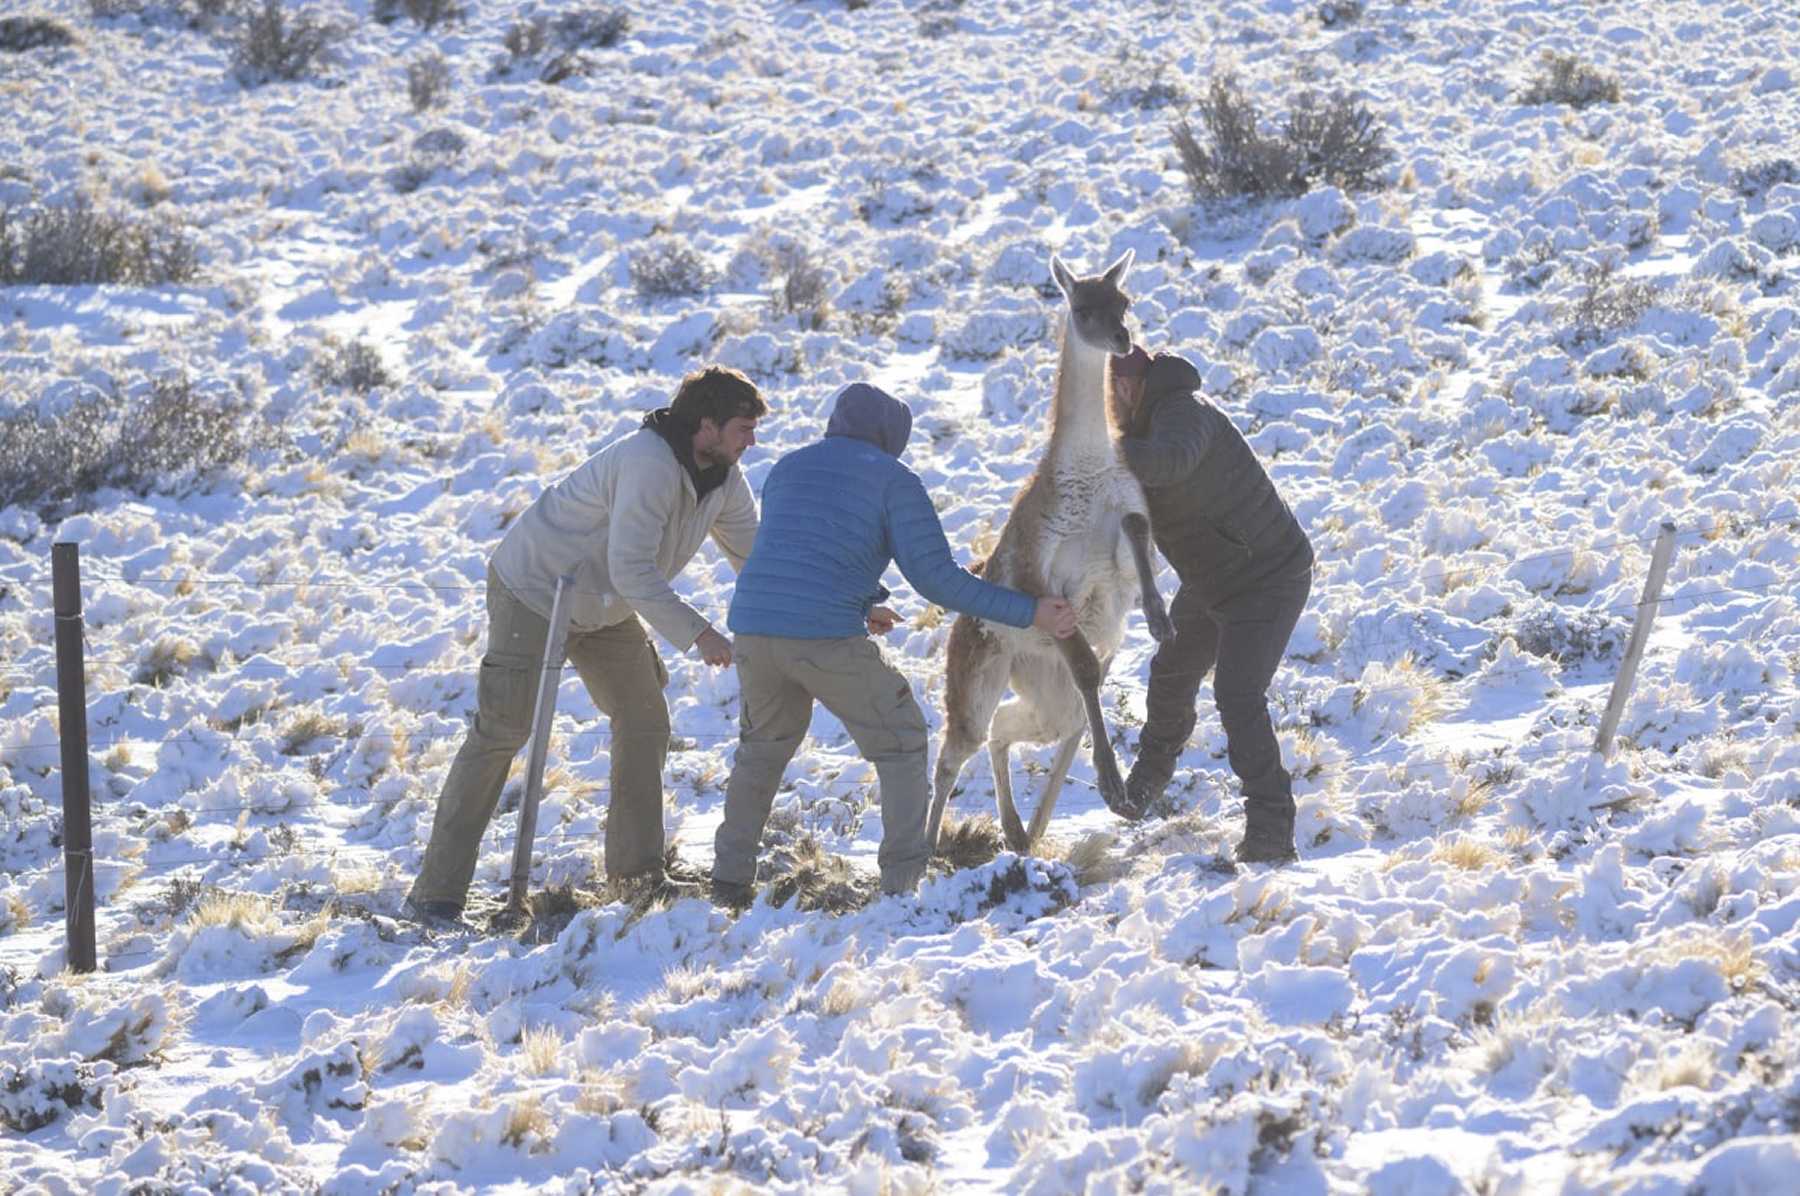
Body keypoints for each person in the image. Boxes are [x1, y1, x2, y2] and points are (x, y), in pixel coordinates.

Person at [403, 365, 765, 927]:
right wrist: (700, 633)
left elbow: (758, 560)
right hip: (535, 588)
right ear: (707, 425)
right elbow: (631, 567)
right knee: (504, 729)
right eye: (744, 428)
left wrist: (844, 605)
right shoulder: (648, 463)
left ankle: (636, 877)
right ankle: (436, 893)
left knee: (644, 719)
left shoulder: (725, 480)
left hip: (605, 606)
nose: (752, 441)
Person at [710, 382, 1077, 904]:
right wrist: (1030, 611)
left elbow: (803, 552)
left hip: (753, 627)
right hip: (823, 637)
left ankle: (728, 881)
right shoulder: (892, 479)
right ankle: (902, 888)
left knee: (762, 749)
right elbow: (938, 580)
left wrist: (862, 604)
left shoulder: (789, 467)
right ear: (890, 438)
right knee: (902, 737)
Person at [1111, 346, 1314, 864]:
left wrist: (1109, 454)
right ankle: (1146, 783)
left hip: (1269, 575)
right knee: (1171, 671)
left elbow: (1169, 462)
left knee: (1238, 694)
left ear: (1132, 386)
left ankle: (1271, 831)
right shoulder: (1136, 432)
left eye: (1112, 389)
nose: (1107, 401)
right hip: (1212, 578)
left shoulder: (1185, 411)